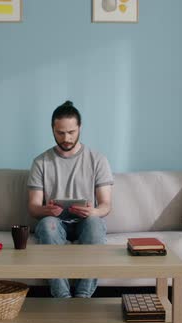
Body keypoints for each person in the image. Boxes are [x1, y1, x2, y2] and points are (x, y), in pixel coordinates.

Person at [27, 100, 114, 298]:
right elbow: (33, 207)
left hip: (86, 221)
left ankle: (83, 295)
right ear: (52, 129)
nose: (66, 138)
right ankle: (62, 296)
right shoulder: (41, 162)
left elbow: (106, 205)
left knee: (94, 223)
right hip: (56, 223)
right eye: (60, 133)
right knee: (48, 224)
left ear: (80, 128)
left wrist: (94, 211)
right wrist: (46, 210)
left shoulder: (97, 159)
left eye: (71, 132)